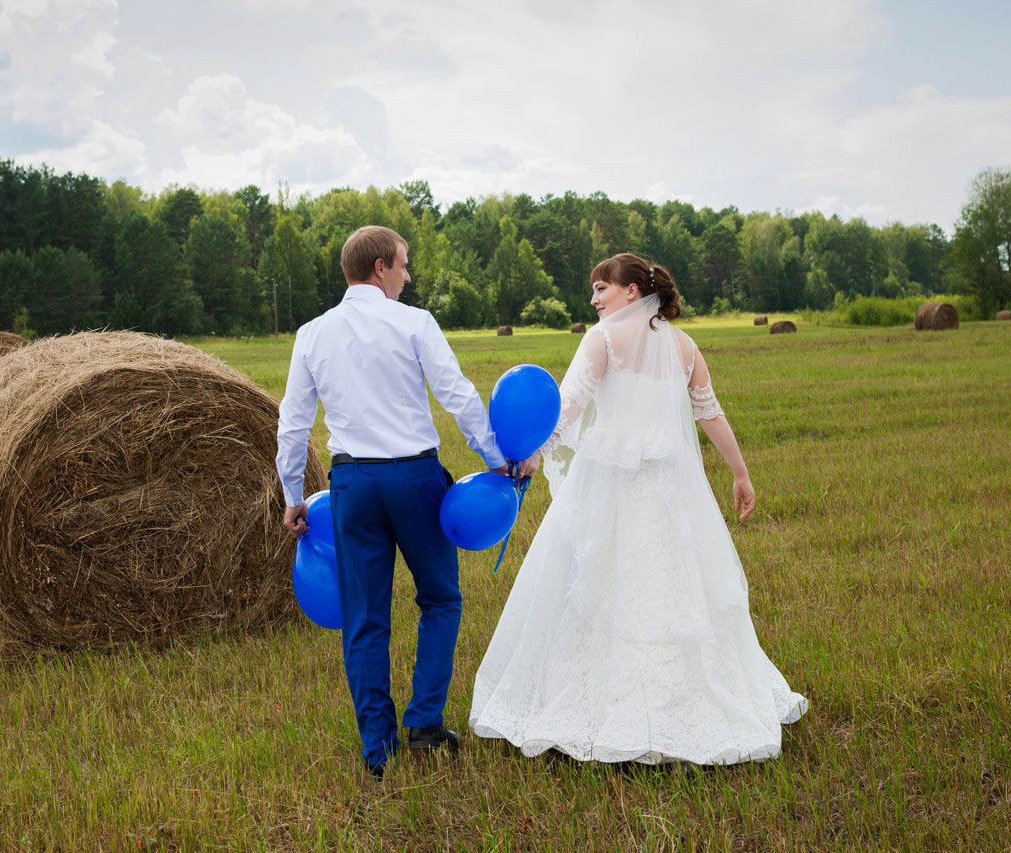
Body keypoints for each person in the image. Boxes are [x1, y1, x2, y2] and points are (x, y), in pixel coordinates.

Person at [470, 253, 808, 765]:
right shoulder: (685, 345)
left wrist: (532, 454)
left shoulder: (602, 339)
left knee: (598, 587)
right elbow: (710, 415)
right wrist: (739, 472)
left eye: (601, 288)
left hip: (607, 481)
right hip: (672, 487)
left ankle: (605, 705)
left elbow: (567, 407)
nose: (593, 299)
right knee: (670, 588)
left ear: (632, 292)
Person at [276, 225, 536, 779]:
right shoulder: (414, 322)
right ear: (379, 269)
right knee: (440, 599)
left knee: (364, 620)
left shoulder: (311, 334)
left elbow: (292, 424)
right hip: (416, 479)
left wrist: (293, 496)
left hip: (351, 488)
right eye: (404, 265)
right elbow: (458, 394)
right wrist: (495, 456)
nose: (408, 275)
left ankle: (378, 751)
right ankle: (424, 723)